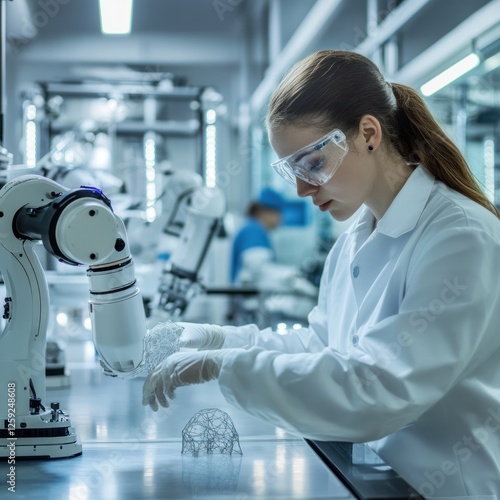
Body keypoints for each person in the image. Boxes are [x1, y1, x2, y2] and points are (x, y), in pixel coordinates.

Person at [143, 50, 500, 497]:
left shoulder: (460, 236)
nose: (301, 189)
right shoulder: (356, 236)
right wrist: (217, 339)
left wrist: (226, 365)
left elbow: (381, 390)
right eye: (293, 169)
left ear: (368, 133)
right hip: (383, 480)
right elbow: (321, 345)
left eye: (313, 164)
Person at [229, 187, 284, 285]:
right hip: (245, 299)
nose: (281, 219)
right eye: (279, 213)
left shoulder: (251, 227)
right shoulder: (253, 230)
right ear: (266, 212)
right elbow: (259, 271)